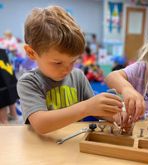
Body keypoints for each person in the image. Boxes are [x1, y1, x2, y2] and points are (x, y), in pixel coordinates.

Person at [17, 6, 123, 134]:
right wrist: (86, 107)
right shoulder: (29, 82)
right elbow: (41, 124)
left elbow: (96, 111)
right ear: (31, 53)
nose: (67, 69)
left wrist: (117, 116)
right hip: (43, 147)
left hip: (74, 144)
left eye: (73, 61)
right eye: (58, 62)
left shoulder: (77, 76)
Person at [0, 48, 18, 124]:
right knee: (10, 96)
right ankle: (13, 116)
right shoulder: (3, 51)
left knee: (2, 102)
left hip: (3, 84)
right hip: (9, 80)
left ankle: (4, 122)